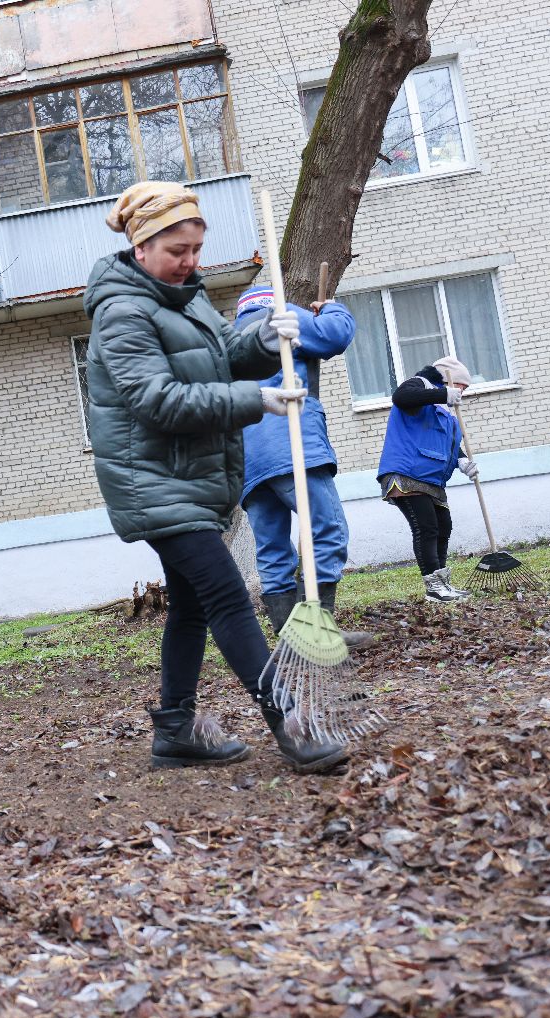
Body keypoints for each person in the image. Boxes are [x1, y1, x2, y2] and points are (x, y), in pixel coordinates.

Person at [82, 181, 348, 774]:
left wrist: (263, 339)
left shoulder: (184, 296)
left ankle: (175, 729)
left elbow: (223, 351)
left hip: (189, 479)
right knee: (226, 595)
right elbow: (159, 399)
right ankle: (291, 724)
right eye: (178, 250)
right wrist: (257, 398)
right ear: (142, 244)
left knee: (190, 606)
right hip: (150, 481)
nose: (190, 262)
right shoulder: (123, 311)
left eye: (197, 248)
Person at [232, 286, 373, 650]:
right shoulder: (282, 317)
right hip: (292, 442)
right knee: (327, 529)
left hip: (247, 459)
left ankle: (289, 635)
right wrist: (332, 309)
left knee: (272, 545)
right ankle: (317, 629)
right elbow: (335, 336)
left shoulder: (230, 339)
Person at [377, 356, 476, 603]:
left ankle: (443, 584)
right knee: (427, 527)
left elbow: (449, 445)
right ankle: (433, 587)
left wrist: (462, 461)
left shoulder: (446, 413)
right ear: (447, 380)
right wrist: (442, 395)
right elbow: (401, 398)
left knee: (444, 526)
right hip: (406, 474)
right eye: (462, 386)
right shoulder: (420, 385)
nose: (462, 392)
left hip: (430, 480)